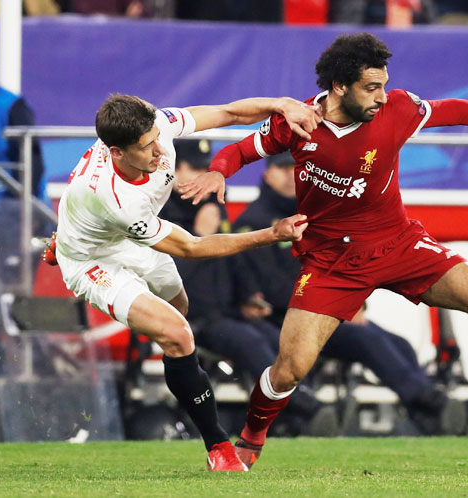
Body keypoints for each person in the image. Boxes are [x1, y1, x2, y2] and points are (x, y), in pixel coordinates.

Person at [181, 32, 468, 470]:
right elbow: (240, 150)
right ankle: (252, 438)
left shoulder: (397, 109)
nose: (382, 96)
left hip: (399, 243)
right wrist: (218, 172)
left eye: (384, 84)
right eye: (371, 87)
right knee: (290, 369)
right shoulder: (298, 121)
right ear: (338, 87)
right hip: (331, 263)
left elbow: (450, 110)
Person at [47, 93, 319, 471]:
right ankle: (219, 447)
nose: (160, 150)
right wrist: (270, 234)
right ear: (116, 153)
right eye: (147, 147)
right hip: (94, 260)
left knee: (181, 313)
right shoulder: (113, 199)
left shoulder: (156, 127)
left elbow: (225, 112)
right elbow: (191, 247)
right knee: (177, 334)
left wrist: (280, 105)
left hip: (125, 238)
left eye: (158, 137)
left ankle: (67, 239)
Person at [233, 152, 468, 436]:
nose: (289, 175)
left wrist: (356, 304)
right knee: (367, 340)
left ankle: (428, 414)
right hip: (287, 319)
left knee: (398, 343)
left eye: (295, 169)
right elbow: (271, 287)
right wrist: (335, 303)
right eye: (281, 168)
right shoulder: (255, 222)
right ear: (267, 174)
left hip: (323, 309)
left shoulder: (316, 216)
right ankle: (431, 405)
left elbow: (345, 264)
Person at [160, 139, 341, 437]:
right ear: (174, 171)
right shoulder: (161, 215)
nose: (205, 176)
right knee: (250, 342)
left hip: (229, 312)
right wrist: (199, 236)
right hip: (192, 320)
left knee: (277, 338)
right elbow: (164, 280)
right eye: (197, 168)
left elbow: (234, 260)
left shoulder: (212, 203)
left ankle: (299, 406)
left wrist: (248, 297)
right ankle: (305, 408)